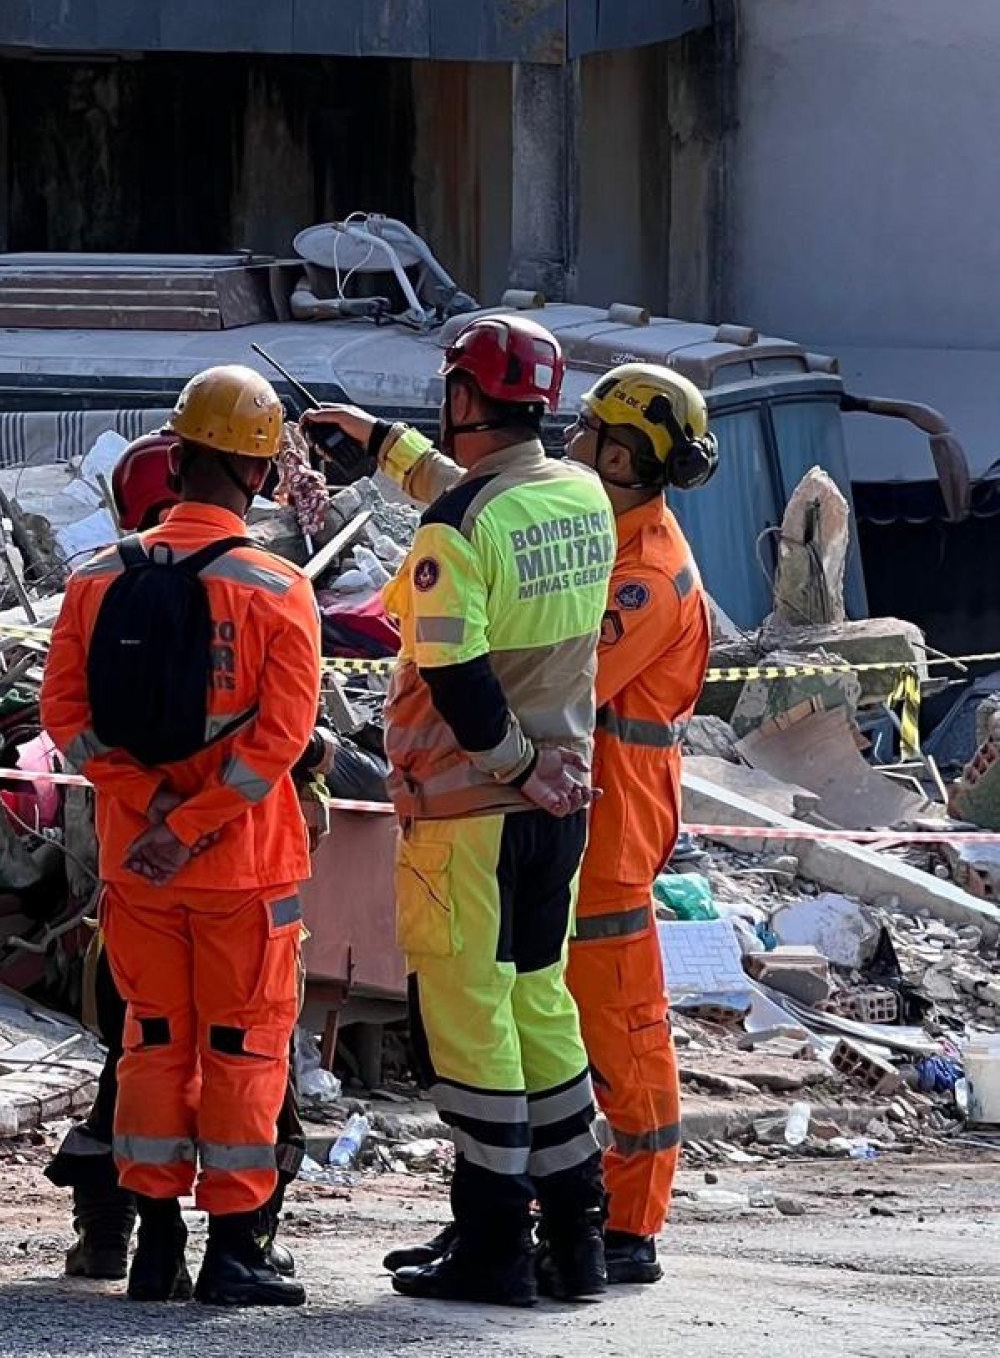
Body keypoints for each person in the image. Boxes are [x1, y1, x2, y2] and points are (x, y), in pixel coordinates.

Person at [302, 313, 617, 1308]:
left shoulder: (458, 529)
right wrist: (387, 448)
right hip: (558, 806)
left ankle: (493, 1247)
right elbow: (481, 498)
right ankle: (577, 1238)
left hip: (471, 812)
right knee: (539, 1004)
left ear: (466, 398)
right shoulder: (578, 495)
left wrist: (513, 762)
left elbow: (452, 668)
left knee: (473, 1023)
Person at [42, 369, 321, 1308]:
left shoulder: (94, 579)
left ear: (178, 453)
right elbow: (281, 741)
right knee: (242, 1049)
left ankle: (154, 1242)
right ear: (257, 466)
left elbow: (66, 720)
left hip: (137, 867)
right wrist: (196, 823)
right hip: (243, 871)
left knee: (153, 1044)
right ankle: (236, 1247)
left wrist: (147, 812)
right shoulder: (279, 587)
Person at [560, 362, 717, 1287]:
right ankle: (577, 1210)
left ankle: (629, 1223)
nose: (570, 443)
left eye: (586, 432)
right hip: (584, 816)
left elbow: (570, 678)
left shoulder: (648, 576)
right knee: (565, 1027)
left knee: (621, 1025)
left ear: (622, 455)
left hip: (614, 829)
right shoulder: (608, 539)